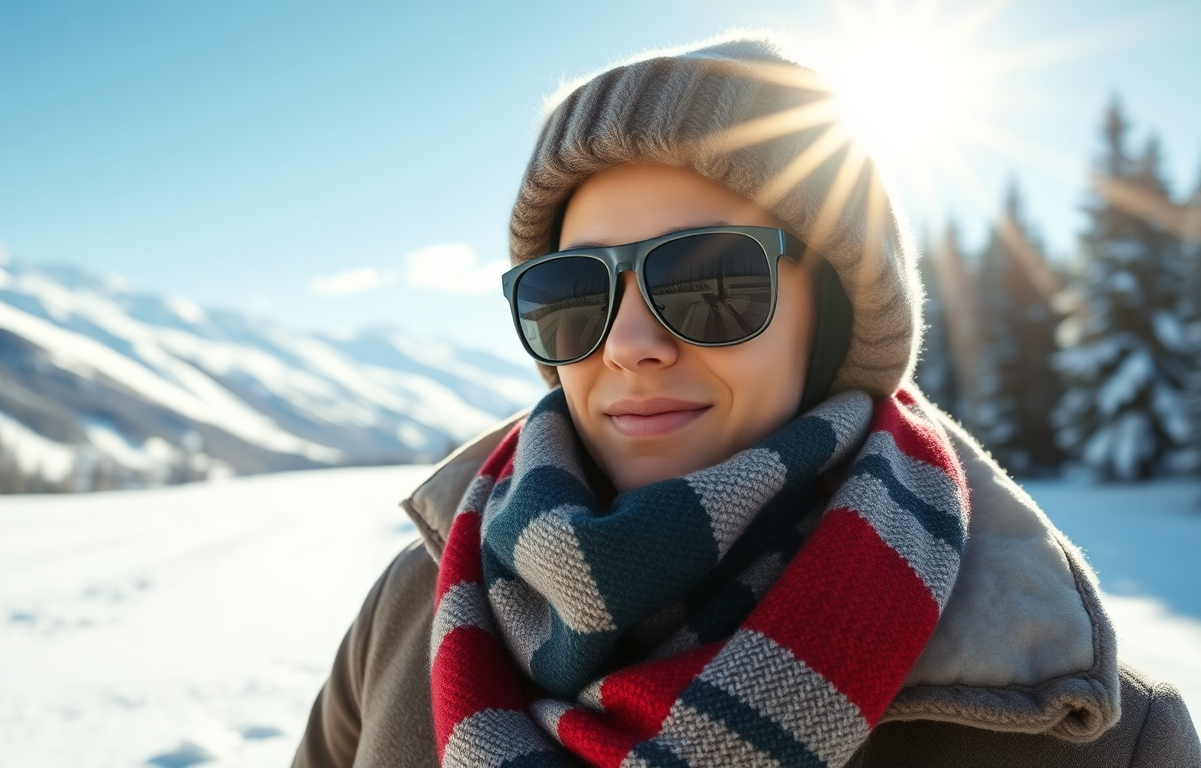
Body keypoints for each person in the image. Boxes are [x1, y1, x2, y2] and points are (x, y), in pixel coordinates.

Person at [292, 34, 1200, 768]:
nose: (630, 344)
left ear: (835, 315)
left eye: (711, 280)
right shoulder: (415, 604)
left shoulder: (1095, 736)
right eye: (571, 293)